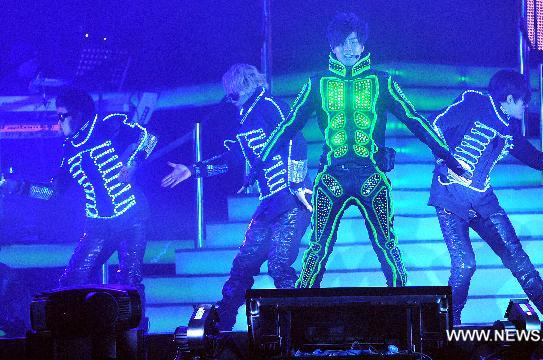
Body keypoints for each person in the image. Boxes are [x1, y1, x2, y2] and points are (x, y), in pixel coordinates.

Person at [259, 12, 467, 288]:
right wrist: (260, 163)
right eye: (342, 43)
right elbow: (287, 126)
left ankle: (403, 306)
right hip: (332, 176)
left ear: (362, 46)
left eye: (354, 42)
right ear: (332, 47)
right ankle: (301, 311)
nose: (348, 48)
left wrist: (447, 155)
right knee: (317, 248)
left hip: (371, 174)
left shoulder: (381, 81)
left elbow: (414, 119)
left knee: (387, 245)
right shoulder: (317, 83)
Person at [428, 69, 543, 324]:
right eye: (523, 101)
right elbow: (434, 124)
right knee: (465, 265)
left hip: (484, 200)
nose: (526, 106)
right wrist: (446, 159)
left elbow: (539, 161)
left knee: (517, 258)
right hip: (450, 196)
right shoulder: (474, 101)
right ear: (508, 99)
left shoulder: (510, 130)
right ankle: (450, 324)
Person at [161, 63, 312, 331]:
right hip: (269, 203)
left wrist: (298, 182)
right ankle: (222, 324)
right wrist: (193, 170)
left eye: (231, 91)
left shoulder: (269, 105)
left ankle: (301, 328)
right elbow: (233, 157)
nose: (229, 97)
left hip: (290, 199)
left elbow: (296, 139)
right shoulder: (246, 117)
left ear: (240, 86)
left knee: (279, 266)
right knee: (243, 266)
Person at [0, 88, 156, 311]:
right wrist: (21, 188)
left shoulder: (106, 126)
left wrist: (133, 163)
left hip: (131, 216)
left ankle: (134, 337)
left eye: (63, 116)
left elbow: (149, 138)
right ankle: (81, 336)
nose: (59, 122)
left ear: (80, 113)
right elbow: (54, 192)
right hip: (98, 225)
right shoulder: (69, 150)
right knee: (71, 282)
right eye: (58, 116)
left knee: (129, 281)